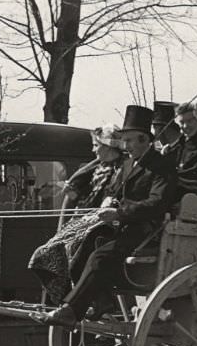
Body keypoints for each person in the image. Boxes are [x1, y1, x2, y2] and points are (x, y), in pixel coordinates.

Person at [36, 105, 177, 326]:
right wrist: (108, 201)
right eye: (125, 141)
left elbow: (157, 203)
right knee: (79, 250)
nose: (126, 146)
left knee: (99, 258)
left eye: (130, 141)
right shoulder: (130, 164)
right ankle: (99, 302)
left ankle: (71, 310)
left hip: (145, 231)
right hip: (121, 226)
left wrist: (119, 212)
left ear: (144, 139)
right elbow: (115, 190)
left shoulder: (161, 166)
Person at [28, 124, 126, 304]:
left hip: (105, 222)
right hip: (86, 218)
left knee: (70, 251)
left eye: (96, 146)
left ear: (107, 146)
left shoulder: (123, 168)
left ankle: (85, 298)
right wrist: (74, 194)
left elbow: (116, 196)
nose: (93, 150)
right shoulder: (97, 167)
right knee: (42, 254)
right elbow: (80, 190)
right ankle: (66, 297)